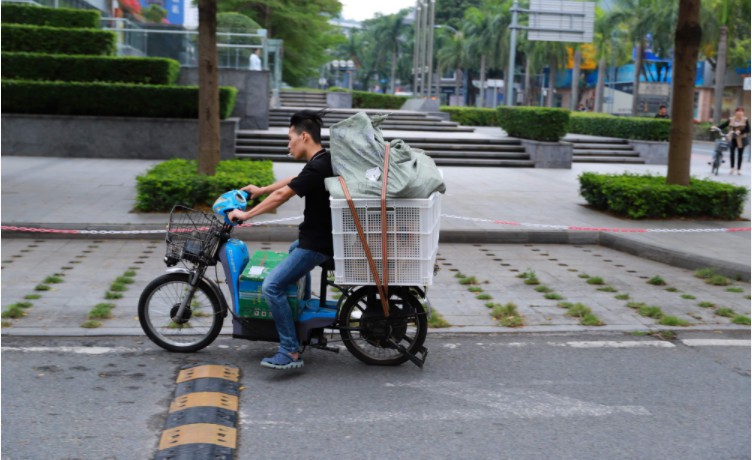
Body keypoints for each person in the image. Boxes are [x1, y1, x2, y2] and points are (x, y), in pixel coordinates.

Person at [228, 110, 333, 370]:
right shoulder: (322, 159)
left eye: (290, 138)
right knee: (292, 248)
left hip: (317, 245)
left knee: (271, 286)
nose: (289, 144)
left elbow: (283, 196)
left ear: (304, 136)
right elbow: (294, 181)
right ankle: (301, 309)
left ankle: (290, 350)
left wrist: (245, 215)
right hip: (316, 240)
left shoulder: (319, 166)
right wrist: (260, 190)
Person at [717, 107, 750, 175]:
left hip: (741, 139)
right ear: (735, 112)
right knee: (732, 153)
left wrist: (740, 131)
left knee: (740, 154)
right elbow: (724, 125)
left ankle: (738, 169)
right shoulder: (731, 119)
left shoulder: (745, 119)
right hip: (732, 138)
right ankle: (732, 168)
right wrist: (717, 128)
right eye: (738, 111)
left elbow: (748, 129)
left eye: (741, 111)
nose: (740, 113)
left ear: (743, 113)